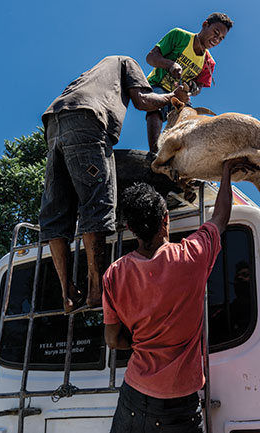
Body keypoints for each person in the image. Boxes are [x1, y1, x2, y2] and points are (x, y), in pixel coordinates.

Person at [102, 158, 250, 433]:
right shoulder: (190, 257)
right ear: (165, 219)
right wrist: (226, 171)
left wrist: (143, 342)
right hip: (177, 405)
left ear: (131, 229)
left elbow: (113, 339)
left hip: (132, 396)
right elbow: (220, 218)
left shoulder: (114, 274)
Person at [39, 55, 189, 313]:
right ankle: (95, 289)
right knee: (96, 200)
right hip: (87, 121)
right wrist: (171, 96)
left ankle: (67, 292)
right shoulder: (125, 62)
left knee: (56, 210)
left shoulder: (91, 74)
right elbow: (143, 101)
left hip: (54, 123)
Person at [145, 12, 234, 152]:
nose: (216, 39)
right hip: (158, 85)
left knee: (189, 122)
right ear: (205, 25)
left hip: (181, 95)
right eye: (215, 33)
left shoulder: (209, 62)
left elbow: (199, 88)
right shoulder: (179, 36)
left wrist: (192, 88)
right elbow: (150, 58)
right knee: (156, 106)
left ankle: (177, 156)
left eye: (221, 38)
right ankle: (154, 152)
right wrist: (170, 65)